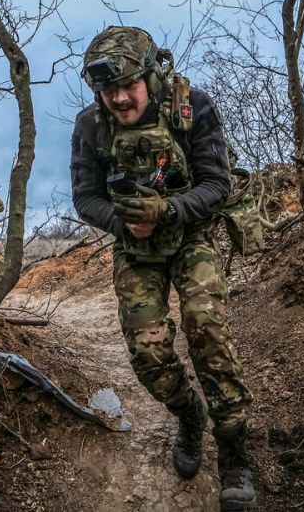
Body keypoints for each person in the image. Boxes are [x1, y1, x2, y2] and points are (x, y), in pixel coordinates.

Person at [69, 26, 255, 510]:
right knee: (149, 354)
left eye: (126, 86)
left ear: (151, 76)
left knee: (206, 328)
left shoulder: (192, 107)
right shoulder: (91, 125)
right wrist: (124, 222)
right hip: (135, 249)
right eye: (107, 91)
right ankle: (189, 416)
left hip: (191, 232)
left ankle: (234, 453)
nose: (118, 98)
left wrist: (168, 211)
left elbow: (218, 185)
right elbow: (85, 197)